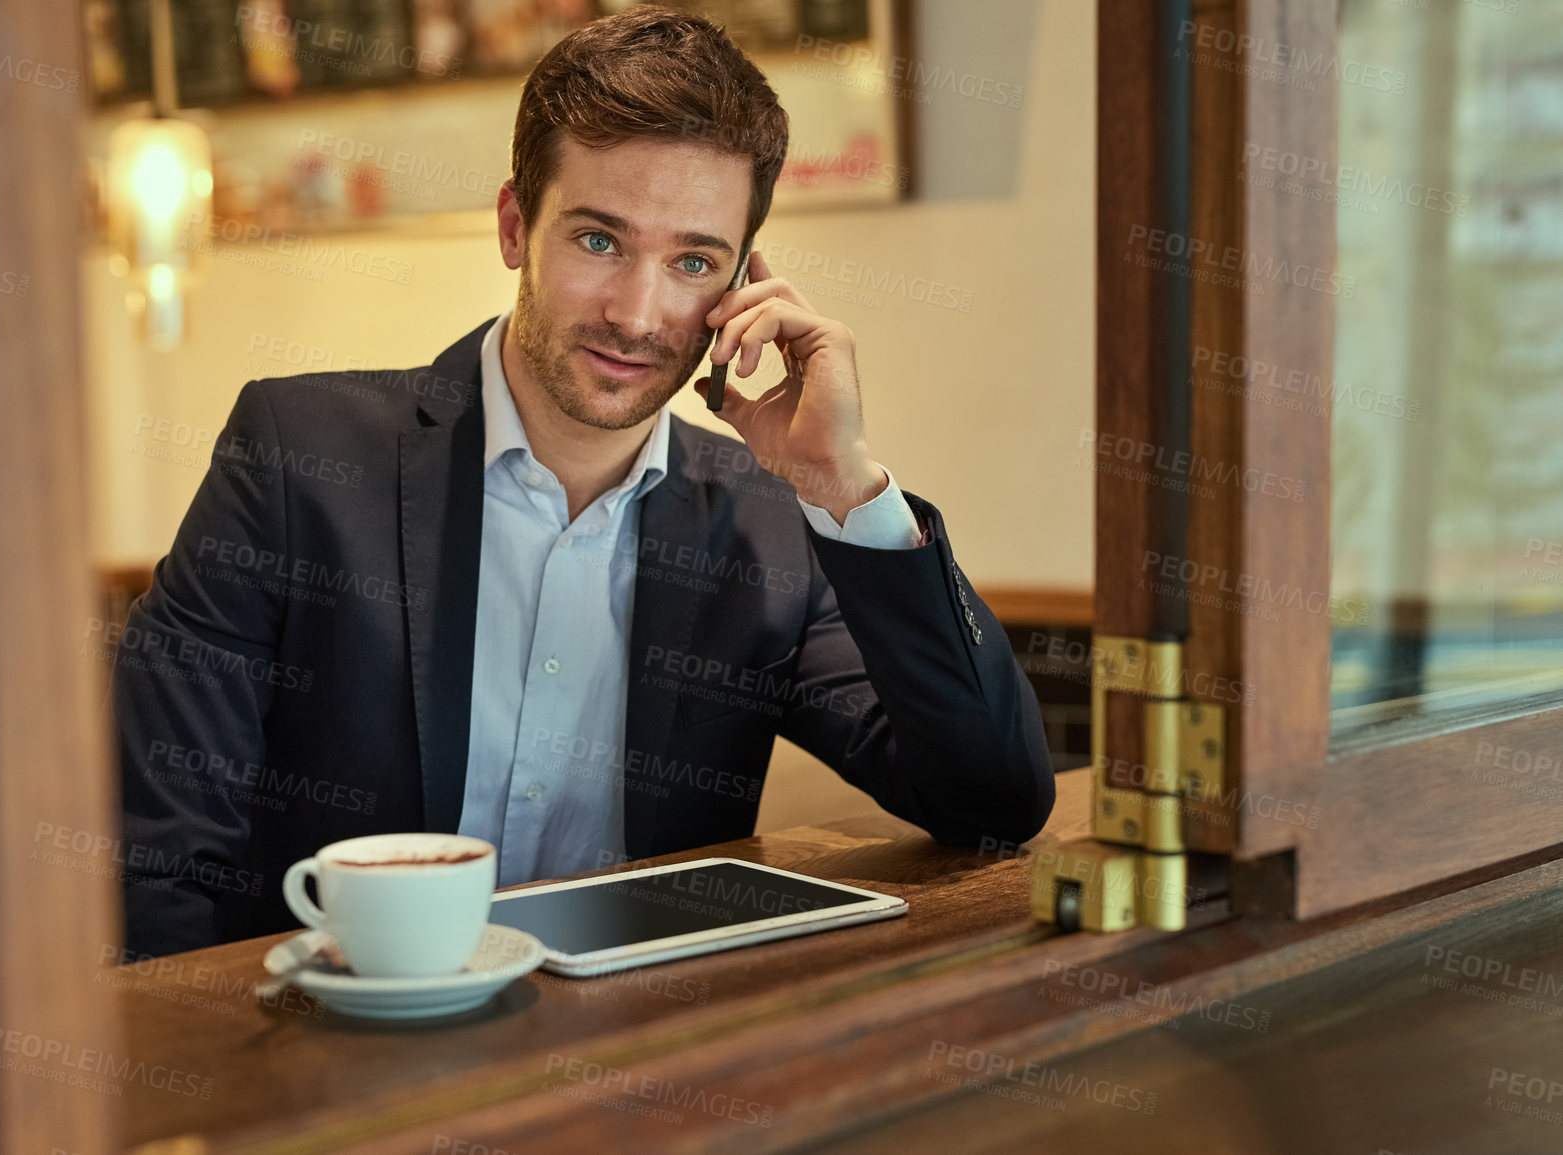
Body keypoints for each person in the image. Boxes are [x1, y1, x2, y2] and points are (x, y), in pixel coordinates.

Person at [114, 6, 1055, 956]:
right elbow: (157, 858)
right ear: (516, 225)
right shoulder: (295, 456)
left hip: (635, 1059)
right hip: (339, 1046)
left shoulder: (768, 521)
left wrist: (842, 483)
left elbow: (989, 804)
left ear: (739, 290)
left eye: (692, 261)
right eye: (598, 240)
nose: (637, 314)